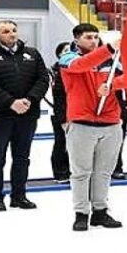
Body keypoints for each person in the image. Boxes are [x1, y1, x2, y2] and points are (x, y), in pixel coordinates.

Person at [0, 20, 49, 211]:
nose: (11, 34)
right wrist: (11, 102)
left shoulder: (32, 53)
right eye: (5, 31)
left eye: (14, 30)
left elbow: (43, 79)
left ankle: (19, 195)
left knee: (22, 157)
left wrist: (30, 100)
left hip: (27, 113)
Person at [59, 23, 124, 231]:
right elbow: (82, 66)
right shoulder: (68, 58)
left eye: (96, 37)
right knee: (80, 172)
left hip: (111, 122)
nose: (94, 41)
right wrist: (109, 49)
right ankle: (81, 213)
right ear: (76, 39)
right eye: (88, 37)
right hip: (81, 122)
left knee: (104, 172)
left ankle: (100, 211)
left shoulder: (111, 59)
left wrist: (113, 85)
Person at [46, 41, 71, 184]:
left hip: (76, 111)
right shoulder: (52, 71)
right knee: (61, 142)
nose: (69, 53)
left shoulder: (76, 68)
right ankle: (60, 172)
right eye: (65, 51)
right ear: (59, 54)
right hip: (59, 112)